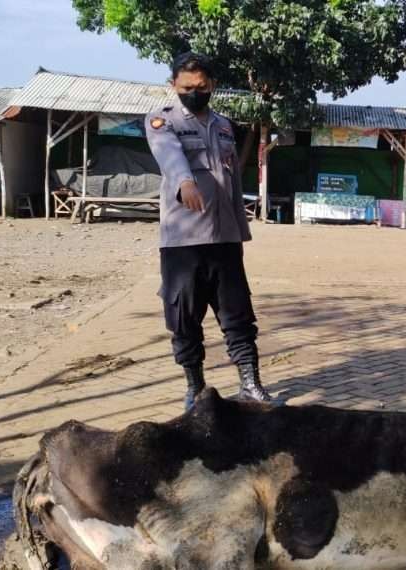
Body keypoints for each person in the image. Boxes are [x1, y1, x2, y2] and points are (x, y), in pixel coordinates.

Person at [145, 52, 275, 411]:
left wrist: (240, 229)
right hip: (183, 240)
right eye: (187, 87)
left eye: (201, 87)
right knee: (184, 318)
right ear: (174, 86)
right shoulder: (162, 120)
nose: (194, 93)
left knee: (238, 314)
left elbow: (230, 182)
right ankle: (195, 388)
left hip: (224, 237)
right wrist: (185, 181)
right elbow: (170, 156)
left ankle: (250, 384)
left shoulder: (223, 125)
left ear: (212, 85)